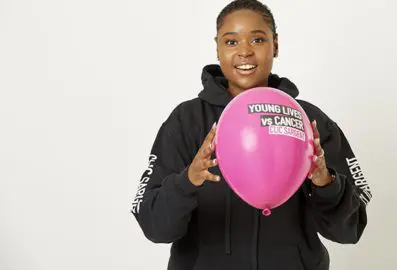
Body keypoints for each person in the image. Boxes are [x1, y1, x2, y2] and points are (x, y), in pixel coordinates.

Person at [131, 1, 372, 269]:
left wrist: (325, 182)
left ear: (275, 44)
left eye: (257, 39)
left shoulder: (310, 122)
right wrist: (188, 180)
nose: (245, 52)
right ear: (218, 49)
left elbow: (351, 230)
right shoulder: (186, 121)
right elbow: (154, 226)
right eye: (231, 42)